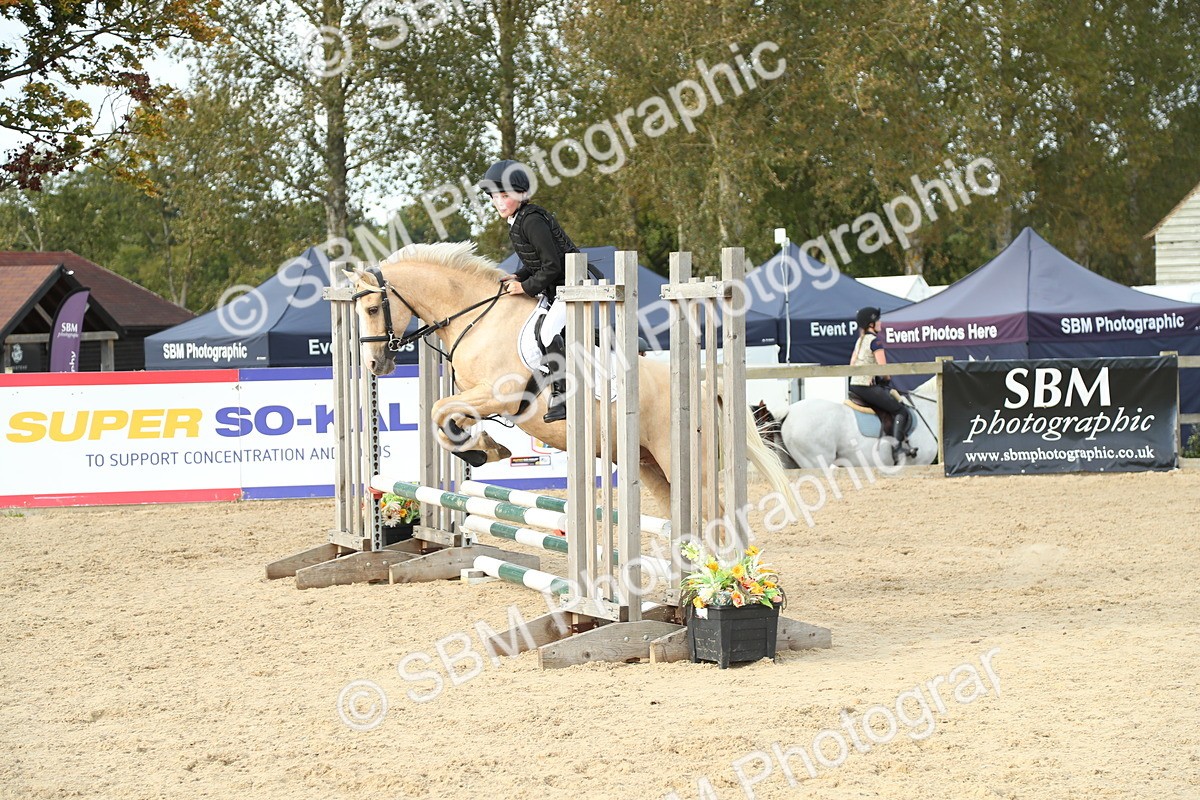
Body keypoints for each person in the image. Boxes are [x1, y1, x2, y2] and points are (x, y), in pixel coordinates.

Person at [477, 159, 580, 423]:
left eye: (505, 196)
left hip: (572, 287)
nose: (499, 203)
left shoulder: (532, 220)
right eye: (494, 197)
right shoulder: (518, 219)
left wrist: (524, 287)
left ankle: (563, 395)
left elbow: (552, 265)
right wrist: (519, 275)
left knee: (547, 332)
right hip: (555, 288)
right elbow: (535, 260)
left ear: (522, 194)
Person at [848, 306, 917, 461]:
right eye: (878, 320)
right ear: (871, 324)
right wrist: (885, 379)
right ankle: (897, 449)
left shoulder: (860, 341)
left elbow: (852, 364)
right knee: (901, 411)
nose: (880, 323)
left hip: (855, 385)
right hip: (866, 387)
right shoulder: (875, 342)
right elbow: (884, 369)